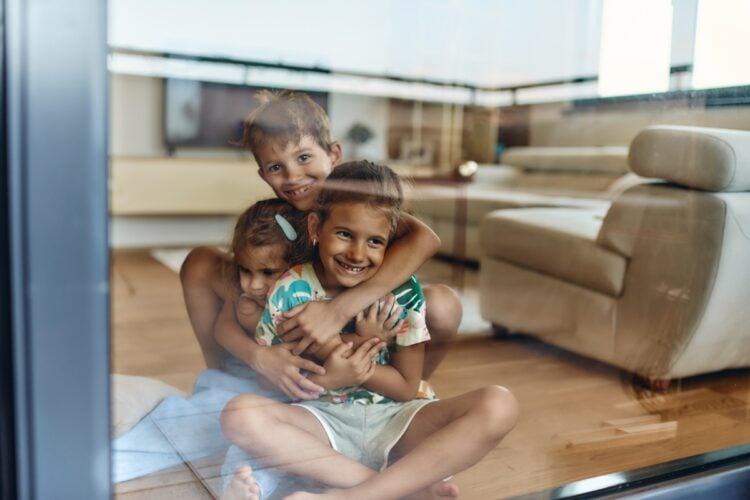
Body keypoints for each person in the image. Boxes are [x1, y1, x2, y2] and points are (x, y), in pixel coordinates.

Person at [220, 162, 518, 500]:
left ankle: (349, 496)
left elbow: (407, 388)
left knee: (499, 404)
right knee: (239, 414)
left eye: (375, 241)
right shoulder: (292, 288)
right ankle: (404, 489)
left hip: (397, 420)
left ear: (390, 242)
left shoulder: (403, 293)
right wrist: (331, 376)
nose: (357, 253)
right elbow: (271, 381)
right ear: (316, 227)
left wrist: (361, 360)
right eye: (345, 234)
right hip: (321, 422)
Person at [180, 90, 462, 400]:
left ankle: (403, 390)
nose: (293, 176)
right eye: (276, 168)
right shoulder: (277, 220)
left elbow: (426, 238)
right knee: (201, 262)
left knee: (445, 305)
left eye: (303, 157)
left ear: (334, 155)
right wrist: (258, 358)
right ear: (263, 175)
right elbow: (231, 315)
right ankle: (222, 384)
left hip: (360, 316)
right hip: (293, 320)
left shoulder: (362, 204)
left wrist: (339, 311)